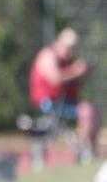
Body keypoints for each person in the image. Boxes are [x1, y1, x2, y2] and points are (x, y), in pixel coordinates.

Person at [29, 28, 101, 161]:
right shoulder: (47, 55)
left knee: (96, 112)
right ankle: (84, 151)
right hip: (48, 102)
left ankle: (90, 150)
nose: (70, 52)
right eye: (68, 47)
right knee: (86, 112)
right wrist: (75, 71)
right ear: (59, 43)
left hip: (66, 102)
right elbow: (55, 79)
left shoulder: (68, 60)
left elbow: (76, 86)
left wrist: (85, 74)